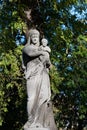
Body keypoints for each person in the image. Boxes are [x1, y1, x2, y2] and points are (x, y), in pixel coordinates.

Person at [22, 29, 57, 130]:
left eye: (36, 37)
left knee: (43, 98)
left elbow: (49, 64)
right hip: (32, 75)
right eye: (33, 37)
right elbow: (30, 54)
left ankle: (40, 122)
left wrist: (47, 58)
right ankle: (30, 121)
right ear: (30, 38)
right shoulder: (27, 48)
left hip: (43, 75)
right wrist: (43, 52)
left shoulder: (42, 49)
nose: (35, 39)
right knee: (31, 98)